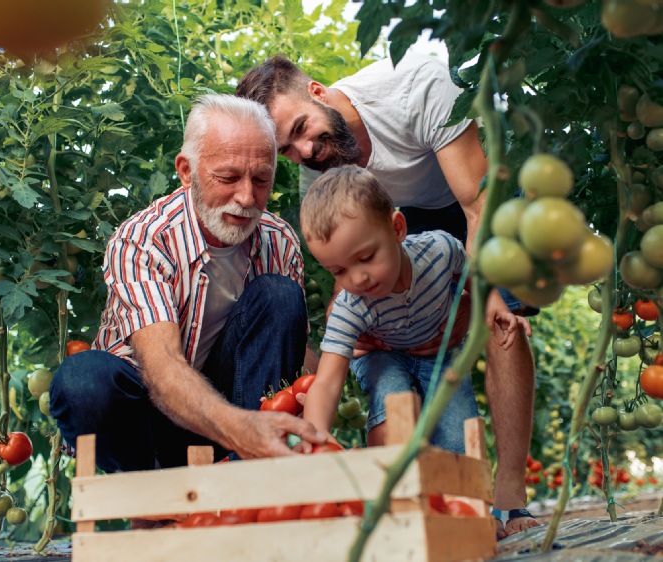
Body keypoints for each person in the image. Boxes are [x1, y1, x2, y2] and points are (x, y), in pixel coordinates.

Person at [236, 51, 538, 538]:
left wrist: (482, 301)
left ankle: (510, 494)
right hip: (394, 220)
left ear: (317, 91)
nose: (304, 152)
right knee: (376, 334)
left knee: (501, 322)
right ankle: (422, 503)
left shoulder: (417, 86)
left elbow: (477, 209)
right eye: (287, 152)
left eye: (300, 130)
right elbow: (345, 268)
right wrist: (335, 354)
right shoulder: (322, 164)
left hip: (475, 194)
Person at [49, 94, 327, 481]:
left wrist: (339, 360)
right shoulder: (143, 239)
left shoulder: (278, 240)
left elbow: (291, 359)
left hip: (239, 424)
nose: (247, 197)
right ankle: (151, 502)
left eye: (261, 179)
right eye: (228, 178)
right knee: (81, 380)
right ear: (186, 171)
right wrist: (242, 427)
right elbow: (162, 370)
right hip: (150, 422)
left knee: (280, 295)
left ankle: (250, 482)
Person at [298, 165, 519, 454]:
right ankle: (387, 482)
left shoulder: (438, 250)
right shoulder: (350, 307)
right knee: (392, 402)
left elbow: (471, 273)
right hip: (382, 356)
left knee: (458, 437)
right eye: (339, 271)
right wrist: (316, 436)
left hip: (436, 352)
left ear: (397, 229)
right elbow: (326, 383)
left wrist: (495, 305)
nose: (357, 279)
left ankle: (458, 496)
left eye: (366, 257)